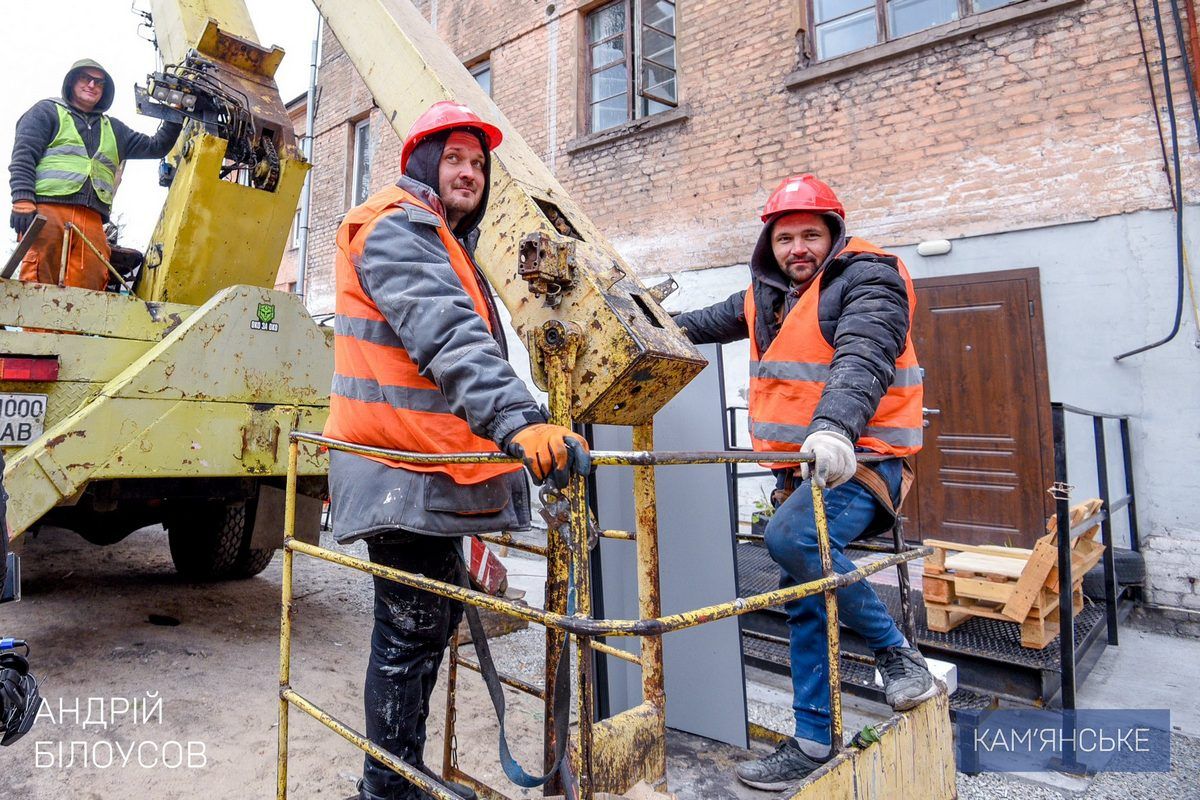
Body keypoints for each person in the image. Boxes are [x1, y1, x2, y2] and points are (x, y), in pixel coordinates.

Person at [324, 101, 589, 800]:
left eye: (478, 163)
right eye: (455, 160)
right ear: (420, 164)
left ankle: (399, 778)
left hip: (421, 470)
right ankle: (387, 789)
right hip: (398, 470)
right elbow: (446, 335)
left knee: (430, 621)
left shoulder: (440, 237)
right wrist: (517, 420)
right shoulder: (400, 226)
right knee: (411, 630)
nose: (469, 172)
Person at [674, 174, 937, 790]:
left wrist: (835, 427)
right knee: (805, 603)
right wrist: (632, 311)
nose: (798, 248)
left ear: (834, 235)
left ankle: (896, 651)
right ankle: (814, 741)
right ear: (770, 245)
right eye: (785, 237)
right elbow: (690, 324)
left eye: (810, 235)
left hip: (862, 465)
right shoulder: (763, 297)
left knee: (790, 540)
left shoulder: (868, 279)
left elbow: (863, 357)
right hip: (804, 475)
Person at [8, 59, 181, 290]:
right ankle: (36, 329)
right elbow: (23, 155)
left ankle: (72, 329)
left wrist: (177, 112)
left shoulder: (114, 129)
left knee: (89, 284)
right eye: (85, 78)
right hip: (48, 211)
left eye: (99, 82)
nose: (92, 85)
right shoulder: (47, 111)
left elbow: (156, 146)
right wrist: (22, 199)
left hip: (92, 220)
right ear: (71, 82)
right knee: (39, 281)